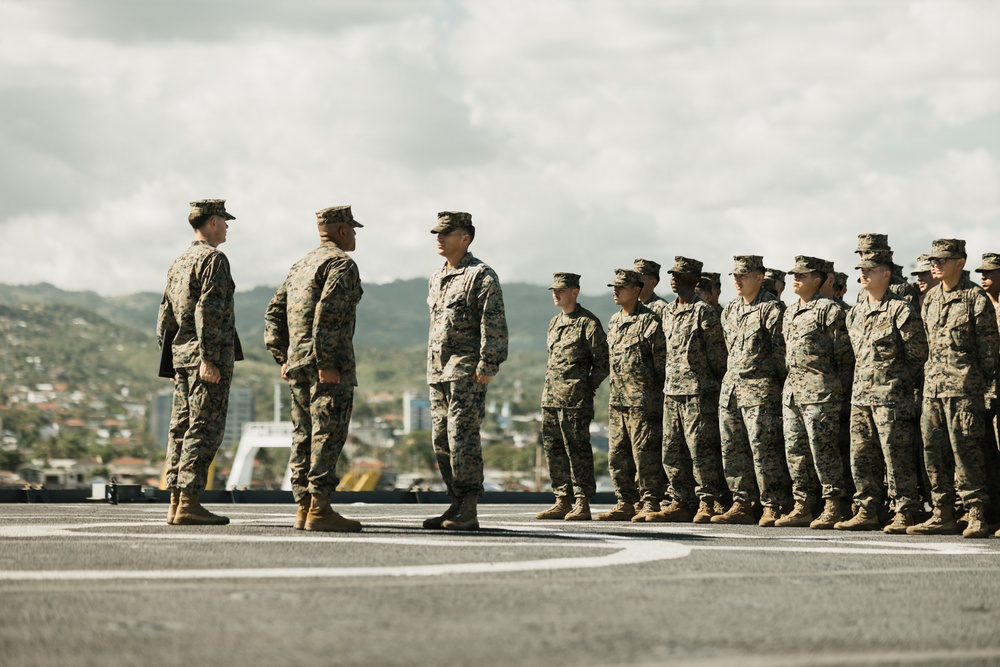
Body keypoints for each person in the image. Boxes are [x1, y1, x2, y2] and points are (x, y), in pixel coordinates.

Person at [264, 206, 365, 533]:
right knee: (327, 432)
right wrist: (327, 363)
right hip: (325, 365)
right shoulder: (341, 264)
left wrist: (284, 356)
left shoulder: (300, 266)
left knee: (303, 433)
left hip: (298, 363)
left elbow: (273, 312)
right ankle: (320, 508)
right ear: (341, 231)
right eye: (352, 228)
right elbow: (329, 313)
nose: (354, 235)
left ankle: (303, 508)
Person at [423, 211, 508, 531]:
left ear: (465, 237)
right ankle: (455, 503)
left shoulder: (481, 275)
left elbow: (494, 323)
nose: (439, 238)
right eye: (437, 233)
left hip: (465, 370)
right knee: (441, 440)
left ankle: (469, 508)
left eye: (446, 233)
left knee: (462, 439)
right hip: (437, 371)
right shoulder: (436, 277)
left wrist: (489, 363)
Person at [157, 199, 240, 526]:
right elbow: (208, 311)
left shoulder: (179, 262)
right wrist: (208, 358)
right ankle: (189, 501)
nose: (228, 226)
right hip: (207, 358)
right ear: (213, 222)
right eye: (225, 220)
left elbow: (165, 316)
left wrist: (174, 358)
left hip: (182, 356)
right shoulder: (214, 260)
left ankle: (176, 501)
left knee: (180, 428)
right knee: (204, 428)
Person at [908, 239, 999, 538]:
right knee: (934, 452)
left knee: (966, 453)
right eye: (934, 259)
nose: (936, 264)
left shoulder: (975, 298)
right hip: (932, 389)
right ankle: (942, 513)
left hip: (964, 390)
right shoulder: (931, 300)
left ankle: (975, 513)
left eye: (943, 259)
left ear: (960, 262)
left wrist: (981, 389)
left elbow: (988, 352)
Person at [836, 249, 927, 533]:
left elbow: (917, 355)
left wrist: (895, 381)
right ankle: (867, 510)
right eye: (860, 270)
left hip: (892, 397)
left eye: (870, 270)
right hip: (862, 396)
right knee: (861, 455)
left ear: (886, 274)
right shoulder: (855, 314)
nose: (863, 274)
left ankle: (905, 511)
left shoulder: (901, 310)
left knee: (896, 455)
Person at [644, 257, 728, 523]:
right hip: (672, 391)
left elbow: (717, 357)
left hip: (698, 391)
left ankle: (707, 501)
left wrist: (708, 385)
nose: (674, 279)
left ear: (694, 281)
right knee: (672, 450)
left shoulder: (704, 312)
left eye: (680, 276)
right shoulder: (667, 311)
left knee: (700, 450)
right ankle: (680, 500)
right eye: (673, 275)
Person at [774, 257, 854, 529]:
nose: (795, 278)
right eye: (794, 274)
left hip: (821, 392)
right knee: (795, 450)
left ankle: (833, 505)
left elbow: (844, 357)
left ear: (818, 280)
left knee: (823, 450)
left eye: (802, 275)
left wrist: (834, 388)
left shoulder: (829, 311)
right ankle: (803, 505)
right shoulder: (789, 312)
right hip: (793, 393)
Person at [713, 255, 791, 526]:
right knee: (732, 449)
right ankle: (742, 502)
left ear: (759, 277)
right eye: (734, 275)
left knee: (764, 450)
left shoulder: (772, 309)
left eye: (743, 275)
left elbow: (782, 356)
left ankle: (773, 504)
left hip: (760, 391)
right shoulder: (730, 309)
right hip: (732, 390)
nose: (737, 280)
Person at [536, 272, 609, 521]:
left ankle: (582, 502)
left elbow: (603, 361)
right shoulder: (554, 322)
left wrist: (587, 388)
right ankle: (562, 499)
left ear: (574, 292)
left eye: (561, 290)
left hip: (575, 401)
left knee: (577, 450)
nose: (555, 294)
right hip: (551, 399)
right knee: (553, 450)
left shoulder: (588, 323)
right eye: (554, 290)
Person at [595, 269, 668, 522]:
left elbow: (662, 365)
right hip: (618, 401)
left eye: (621, 287)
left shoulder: (651, 322)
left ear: (636, 291)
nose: (615, 291)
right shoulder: (614, 321)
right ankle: (625, 501)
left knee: (645, 454)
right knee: (617, 455)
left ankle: (649, 501)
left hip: (643, 401)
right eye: (614, 287)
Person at [975, 253, 1000, 531]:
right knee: (987, 455)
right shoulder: (981, 306)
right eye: (981, 272)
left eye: (991, 272)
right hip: (984, 391)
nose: (984, 276)